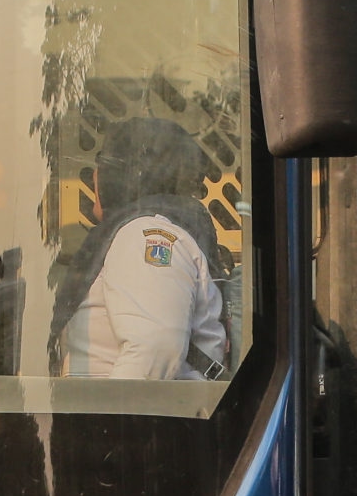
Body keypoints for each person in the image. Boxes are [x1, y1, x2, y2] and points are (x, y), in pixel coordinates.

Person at [52, 118, 230, 380]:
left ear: (122, 175)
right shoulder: (145, 230)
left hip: (121, 406)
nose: (94, 176)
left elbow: (154, 349)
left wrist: (111, 409)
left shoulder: (144, 235)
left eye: (103, 164)